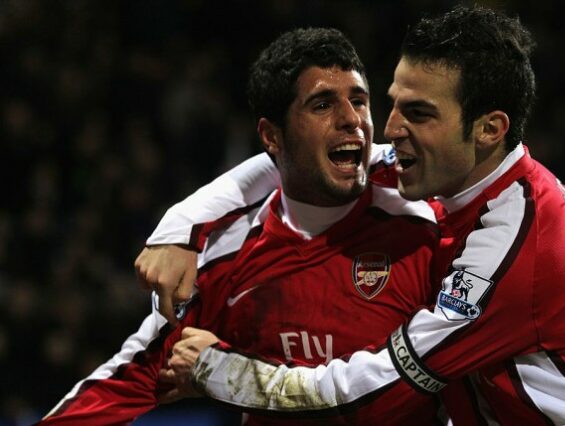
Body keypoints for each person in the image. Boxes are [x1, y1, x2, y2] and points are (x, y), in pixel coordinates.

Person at [140, 5, 565, 425]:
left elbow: (378, 388)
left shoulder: (512, 251)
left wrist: (217, 371)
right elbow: (291, 160)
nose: (390, 128)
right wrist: (183, 225)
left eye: (419, 114)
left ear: (489, 129)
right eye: (394, 104)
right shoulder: (482, 180)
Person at [40, 28, 445, 425]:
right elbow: (126, 382)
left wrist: (226, 372)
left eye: (359, 100)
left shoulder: (428, 225)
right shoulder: (224, 258)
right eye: (322, 105)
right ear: (272, 135)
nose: (351, 119)